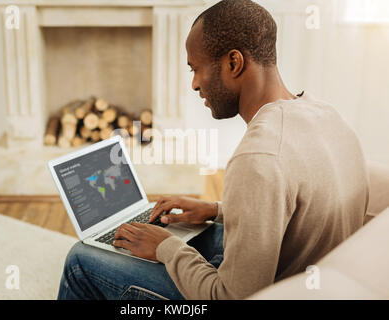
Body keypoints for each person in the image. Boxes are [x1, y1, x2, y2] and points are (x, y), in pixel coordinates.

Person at [57, 0, 369, 300]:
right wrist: (217, 210)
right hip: (307, 283)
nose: (194, 84)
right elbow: (300, 212)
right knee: (199, 233)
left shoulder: (258, 157)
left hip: (267, 292)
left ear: (234, 62)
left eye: (196, 68)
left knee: (81, 261)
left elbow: (231, 297)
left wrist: (167, 248)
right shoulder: (328, 116)